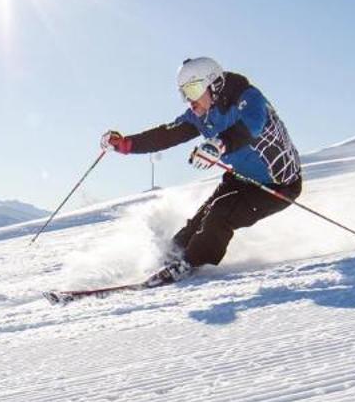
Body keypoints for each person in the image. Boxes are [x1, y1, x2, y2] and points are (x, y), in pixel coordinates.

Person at [102, 56, 303, 285]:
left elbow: (252, 125)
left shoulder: (247, 98)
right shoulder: (201, 115)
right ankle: (168, 259)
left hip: (277, 185)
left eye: (193, 89)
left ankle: (190, 264)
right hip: (240, 178)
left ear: (214, 84)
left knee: (220, 215)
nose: (189, 99)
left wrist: (220, 144)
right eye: (183, 92)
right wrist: (126, 144)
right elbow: (166, 135)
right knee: (197, 223)